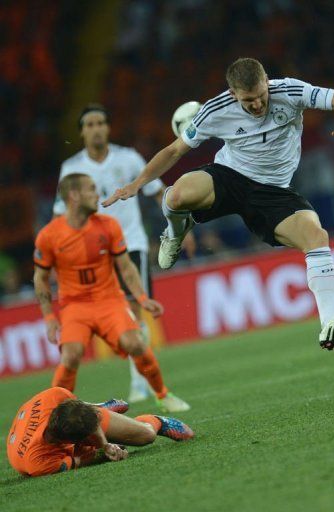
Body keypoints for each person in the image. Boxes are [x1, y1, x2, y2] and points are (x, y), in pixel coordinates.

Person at [102, 57, 334, 351]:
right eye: (248, 100)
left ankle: (329, 323)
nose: (256, 105)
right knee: (176, 196)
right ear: (232, 94)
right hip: (230, 177)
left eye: (261, 96)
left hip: (273, 193)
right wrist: (137, 184)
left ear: (267, 82)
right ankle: (175, 233)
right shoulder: (215, 110)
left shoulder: (290, 92)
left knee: (317, 237)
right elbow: (174, 150)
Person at [53, 104, 195, 403]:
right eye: (89, 124)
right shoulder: (71, 169)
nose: (96, 128)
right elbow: (60, 215)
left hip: (131, 243)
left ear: (108, 128)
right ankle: (139, 376)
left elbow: (157, 191)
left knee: (137, 308)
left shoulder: (129, 158)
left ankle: (139, 381)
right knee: (110, 312)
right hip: (92, 253)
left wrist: (180, 226)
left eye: (101, 123)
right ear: (82, 132)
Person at [34, 173, 190, 412]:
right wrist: (49, 317)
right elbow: (41, 278)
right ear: (74, 196)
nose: (98, 194)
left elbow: (126, 268)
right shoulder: (49, 236)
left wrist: (142, 298)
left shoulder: (108, 226)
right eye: (91, 189)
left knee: (135, 343)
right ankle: (53, 412)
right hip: (75, 306)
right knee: (71, 355)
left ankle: (162, 394)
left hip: (109, 300)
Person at [7, 387, 194, 477]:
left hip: (69, 418)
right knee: (89, 447)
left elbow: (80, 410)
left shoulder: (54, 396)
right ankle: (106, 409)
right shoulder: (37, 463)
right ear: (78, 440)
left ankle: (155, 421)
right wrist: (102, 453)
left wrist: (106, 445)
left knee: (148, 435)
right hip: (50, 447)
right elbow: (82, 460)